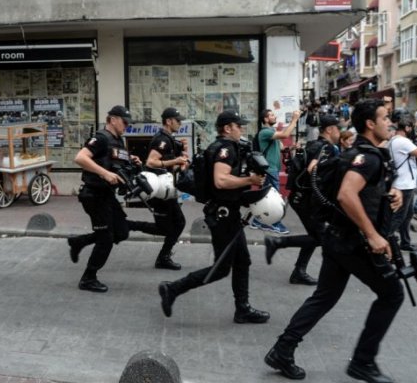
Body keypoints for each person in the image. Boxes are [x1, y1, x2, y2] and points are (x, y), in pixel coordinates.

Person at [264, 99, 404, 383]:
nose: (389, 123)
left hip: (336, 239)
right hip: (352, 244)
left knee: (324, 296)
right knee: (392, 294)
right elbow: (346, 195)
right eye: (385, 118)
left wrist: (388, 195)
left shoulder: (356, 153)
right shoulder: (368, 157)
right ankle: (363, 362)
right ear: (370, 123)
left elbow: (360, 193)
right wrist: (375, 235)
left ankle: (282, 350)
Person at [159, 110, 270, 324]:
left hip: (228, 212)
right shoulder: (225, 149)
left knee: (242, 261)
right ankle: (172, 289)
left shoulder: (223, 147)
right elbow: (221, 181)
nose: (242, 129)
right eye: (239, 125)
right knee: (221, 269)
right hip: (223, 215)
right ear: (228, 128)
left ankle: (242, 308)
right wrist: (250, 180)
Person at [67, 105, 141, 293]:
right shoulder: (100, 138)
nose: (127, 126)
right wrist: (104, 173)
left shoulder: (118, 141)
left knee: (122, 232)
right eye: (125, 122)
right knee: (106, 239)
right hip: (94, 194)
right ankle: (88, 278)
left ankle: (79, 242)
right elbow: (80, 158)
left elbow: (114, 162)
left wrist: (131, 159)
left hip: (107, 195)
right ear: (113, 119)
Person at [264, 114, 342, 286]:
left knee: (315, 235)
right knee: (321, 238)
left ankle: (299, 271)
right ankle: (278, 242)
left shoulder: (314, 144)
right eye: (338, 128)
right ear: (329, 130)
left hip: (302, 198)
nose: (340, 132)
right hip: (307, 200)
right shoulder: (326, 148)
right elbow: (312, 168)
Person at [127, 107, 189, 270]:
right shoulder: (161, 139)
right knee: (166, 227)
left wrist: (183, 154)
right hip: (159, 189)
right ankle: (128, 225)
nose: (180, 123)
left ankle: (164, 256)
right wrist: (175, 161)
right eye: (178, 120)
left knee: (178, 223)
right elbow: (151, 162)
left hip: (167, 188)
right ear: (168, 121)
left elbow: (174, 164)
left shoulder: (170, 139)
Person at [387, 115, 417, 251]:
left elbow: (416, 152)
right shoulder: (403, 141)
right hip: (403, 185)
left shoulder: (395, 140)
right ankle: (385, 241)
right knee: (399, 217)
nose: (414, 131)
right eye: (413, 127)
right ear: (407, 128)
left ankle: (405, 242)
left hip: (405, 183)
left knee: (407, 216)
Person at [251, 108, 299, 234]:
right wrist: (294, 120)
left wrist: (292, 147)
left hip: (272, 169)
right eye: (271, 115)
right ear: (266, 119)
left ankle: (258, 221)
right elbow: (285, 135)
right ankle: (274, 223)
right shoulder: (265, 132)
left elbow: (282, 147)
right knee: (275, 199)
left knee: (266, 198)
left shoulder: (272, 132)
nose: (274, 116)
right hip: (269, 170)